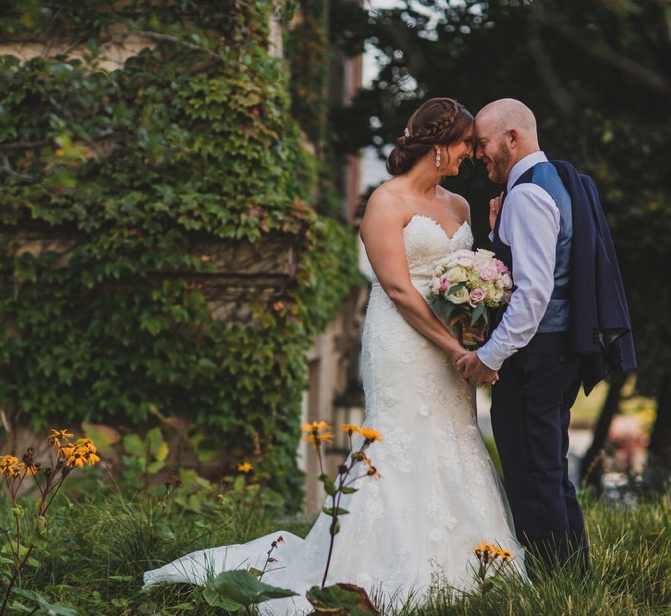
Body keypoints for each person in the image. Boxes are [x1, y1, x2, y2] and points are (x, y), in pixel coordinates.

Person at [142, 98, 526, 614]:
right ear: (439, 148)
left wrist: (473, 327)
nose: (470, 154)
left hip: (452, 346)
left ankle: (464, 563)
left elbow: (466, 276)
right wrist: (455, 344)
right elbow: (398, 287)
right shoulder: (384, 203)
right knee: (397, 438)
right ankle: (368, 567)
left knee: (453, 438)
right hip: (403, 340)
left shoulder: (461, 207)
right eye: (463, 145)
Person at [457, 98, 635, 576]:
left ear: (512, 139)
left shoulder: (528, 195)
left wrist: (490, 357)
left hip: (535, 357)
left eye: (483, 143)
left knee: (533, 477)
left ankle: (556, 584)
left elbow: (533, 294)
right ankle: (574, 582)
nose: (477, 154)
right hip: (556, 354)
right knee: (550, 476)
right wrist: (498, 234)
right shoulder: (554, 180)